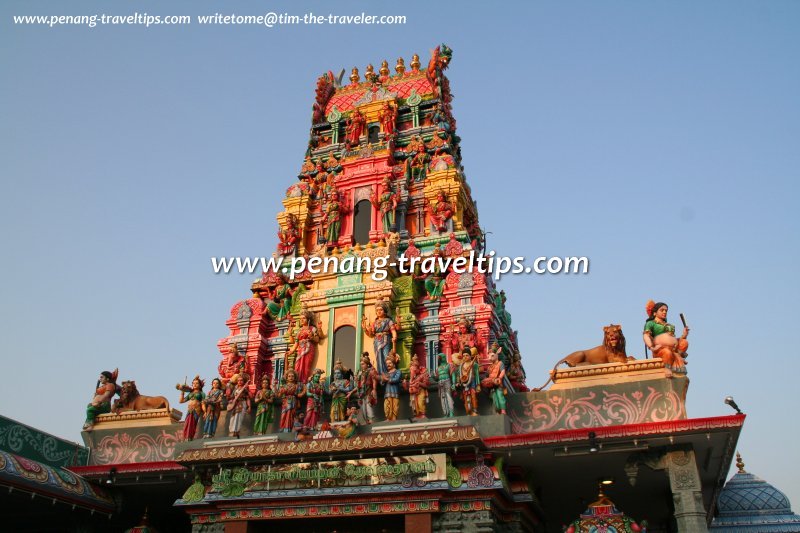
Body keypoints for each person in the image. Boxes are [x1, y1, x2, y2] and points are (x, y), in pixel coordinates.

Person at [643, 301, 690, 378]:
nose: (664, 312)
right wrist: (652, 347)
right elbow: (646, 336)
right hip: (660, 350)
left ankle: (678, 358)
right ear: (655, 313)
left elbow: (672, 339)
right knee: (667, 352)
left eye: (666, 311)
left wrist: (684, 335)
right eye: (662, 310)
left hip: (673, 349)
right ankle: (667, 368)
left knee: (684, 342)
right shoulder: (651, 323)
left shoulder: (668, 325)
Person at [362, 300, 398, 375]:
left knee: (386, 356)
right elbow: (371, 334)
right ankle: (381, 374)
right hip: (376, 342)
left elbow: (393, 330)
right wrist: (365, 328)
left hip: (386, 339)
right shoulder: (374, 323)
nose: (379, 311)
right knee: (379, 358)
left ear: (384, 311)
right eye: (377, 310)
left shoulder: (388, 321)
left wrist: (394, 337)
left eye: (381, 310)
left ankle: (388, 373)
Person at [287, 310, 320, 384]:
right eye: (300, 318)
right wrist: (291, 351)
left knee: (306, 366)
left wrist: (311, 337)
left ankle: (304, 382)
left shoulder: (312, 328)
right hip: (300, 350)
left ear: (308, 319)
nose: (301, 320)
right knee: (298, 366)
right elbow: (295, 343)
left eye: (304, 318)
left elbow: (317, 339)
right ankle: (297, 381)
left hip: (308, 349)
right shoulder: (299, 331)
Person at [176, 376, 205, 441]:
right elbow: (181, 401)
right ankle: (186, 437)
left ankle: (190, 437)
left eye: (197, 383)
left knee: (193, 424)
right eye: (193, 383)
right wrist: (182, 392)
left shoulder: (201, 393)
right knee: (187, 423)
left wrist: (205, 411)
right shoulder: (190, 393)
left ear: (200, 385)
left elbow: (203, 403)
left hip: (196, 410)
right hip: (189, 410)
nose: (194, 384)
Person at [455, 348, 480, 416]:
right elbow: (458, 375)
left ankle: (474, 410)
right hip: (464, 384)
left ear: (470, 356)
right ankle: (468, 411)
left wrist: (478, 385)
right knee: (465, 397)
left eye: (467, 355)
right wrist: (458, 382)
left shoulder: (474, 364)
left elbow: (477, 375)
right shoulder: (461, 366)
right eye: (464, 356)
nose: (465, 357)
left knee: (473, 396)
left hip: (472, 382)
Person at [482, 348, 507, 414]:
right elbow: (487, 375)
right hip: (491, 384)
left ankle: (503, 410)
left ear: (497, 354)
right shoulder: (490, 367)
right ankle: (498, 410)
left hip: (498, 384)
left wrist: (499, 378)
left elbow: (503, 371)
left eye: (492, 355)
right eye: (489, 356)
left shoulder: (500, 363)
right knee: (494, 398)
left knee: (500, 396)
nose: (490, 358)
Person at [355, 354, 378, 424]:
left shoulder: (371, 371)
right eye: (361, 364)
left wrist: (374, 389)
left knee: (368, 406)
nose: (362, 365)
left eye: (363, 364)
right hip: (361, 393)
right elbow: (358, 384)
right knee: (363, 408)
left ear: (367, 364)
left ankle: (371, 420)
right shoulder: (360, 373)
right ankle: (366, 420)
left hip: (368, 391)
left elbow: (374, 381)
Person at [227, 374, 250, 438]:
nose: (239, 382)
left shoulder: (245, 389)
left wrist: (249, 406)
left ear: (244, 381)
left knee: (239, 417)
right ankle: (231, 431)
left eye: (241, 380)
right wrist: (230, 400)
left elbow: (248, 398)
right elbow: (231, 397)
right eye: (238, 380)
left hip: (242, 403)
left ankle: (236, 431)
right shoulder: (235, 388)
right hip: (234, 405)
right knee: (233, 417)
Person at [381, 356, 403, 421]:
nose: (388, 365)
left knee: (395, 406)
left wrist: (386, 379)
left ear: (394, 364)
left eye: (390, 363)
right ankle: (388, 418)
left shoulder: (398, 371)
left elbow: (396, 379)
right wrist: (382, 380)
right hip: (387, 393)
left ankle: (394, 418)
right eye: (387, 364)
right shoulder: (386, 373)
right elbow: (382, 384)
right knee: (387, 405)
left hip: (395, 392)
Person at [434, 353, 455, 418]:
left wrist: (453, 383)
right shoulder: (438, 368)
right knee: (443, 398)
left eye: (441, 357)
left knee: (448, 396)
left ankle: (451, 412)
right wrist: (433, 376)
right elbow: (436, 378)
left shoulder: (449, 365)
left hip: (447, 381)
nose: (440, 359)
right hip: (440, 383)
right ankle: (445, 413)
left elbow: (453, 375)